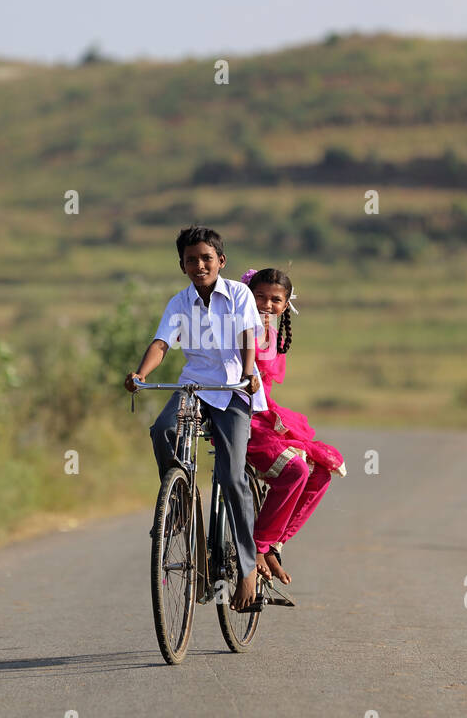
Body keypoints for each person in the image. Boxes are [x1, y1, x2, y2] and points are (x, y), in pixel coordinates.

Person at [125, 227, 267, 610]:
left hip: (235, 389)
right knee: (162, 428)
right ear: (182, 265)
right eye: (191, 259)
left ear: (221, 261)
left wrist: (249, 373)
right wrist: (141, 374)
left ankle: (250, 568)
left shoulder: (238, 294)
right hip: (194, 387)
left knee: (231, 474)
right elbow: (161, 343)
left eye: (206, 258)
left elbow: (247, 339)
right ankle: (180, 506)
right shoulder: (179, 302)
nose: (199, 264)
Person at [242, 267, 345, 585]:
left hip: (266, 416)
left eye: (275, 300)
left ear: (286, 305)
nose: (267, 304)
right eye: (260, 297)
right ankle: (257, 547)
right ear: (247, 296)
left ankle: (273, 543)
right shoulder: (238, 327)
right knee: (296, 470)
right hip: (241, 417)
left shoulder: (274, 334)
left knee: (320, 472)